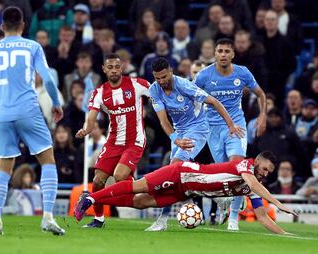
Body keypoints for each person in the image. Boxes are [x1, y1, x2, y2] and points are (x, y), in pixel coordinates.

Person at [0, 7, 65, 235]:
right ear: (23, 25)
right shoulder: (32, 46)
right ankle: (47, 217)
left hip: (4, 114)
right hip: (28, 111)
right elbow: (48, 80)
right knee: (47, 160)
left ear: (2, 26)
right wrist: (56, 103)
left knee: (4, 168)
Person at [74, 151, 297, 234]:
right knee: (137, 186)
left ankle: (95, 198)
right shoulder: (245, 166)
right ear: (257, 161)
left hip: (186, 191)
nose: (265, 173)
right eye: (264, 168)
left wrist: (285, 235)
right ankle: (91, 197)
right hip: (181, 173)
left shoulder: (253, 183)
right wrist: (277, 202)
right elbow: (253, 183)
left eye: (269, 172)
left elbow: (261, 216)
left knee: (141, 202)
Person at [146, 57, 244, 231]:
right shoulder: (154, 90)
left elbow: (214, 101)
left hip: (198, 128)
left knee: (173, 170)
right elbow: (163, 121)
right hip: (179, 133)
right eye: (157, 78)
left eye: (164, 77)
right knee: (173, 176)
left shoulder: (184, 86)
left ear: (171, 71)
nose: (161, 81)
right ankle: (218, 196)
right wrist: (175, 138)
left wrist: (230, 124)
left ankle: (162, 220)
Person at [193, 38, 267, 231]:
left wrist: (262, 116)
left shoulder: (242, 73)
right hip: (213, 130)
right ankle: (226, 205)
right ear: (215, 53)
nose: (223, 54)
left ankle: (234, 218)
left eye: (227, 51)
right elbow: (191, 98)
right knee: (224, 174)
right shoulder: (203, 76)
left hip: (237, 127)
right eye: (220, 51)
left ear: (233, 54)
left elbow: (260, 94)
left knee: (238, 166)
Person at [75, 53, 150, 228]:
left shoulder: (136, 84)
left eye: (117, 67)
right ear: (104, 69)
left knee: (119, 176)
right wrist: (87, 129)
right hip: (114, 141)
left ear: (122, 67)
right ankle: (99, 219)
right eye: (110, 67)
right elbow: (92, 115)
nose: (114, 70)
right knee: (98, 180)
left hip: (134, 141)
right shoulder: (100, 92)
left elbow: (158, 93)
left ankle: (145, 188)